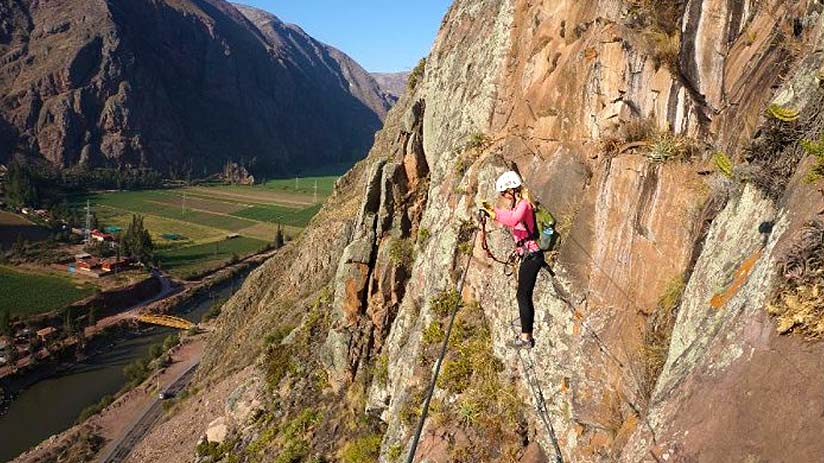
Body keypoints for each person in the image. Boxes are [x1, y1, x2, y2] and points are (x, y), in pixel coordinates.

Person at [479, 171, 543, 349]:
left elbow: (514, 220)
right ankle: (526, 334)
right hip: (528, 255)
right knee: (523, 294)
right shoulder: (518, 205)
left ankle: (526, 338)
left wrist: (493, 214)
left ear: (512, 190)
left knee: (522, 295)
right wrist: (492, 211)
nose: (503, 197)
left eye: (504, 193)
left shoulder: (523, 205)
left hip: (532, 255)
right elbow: (511, 217)